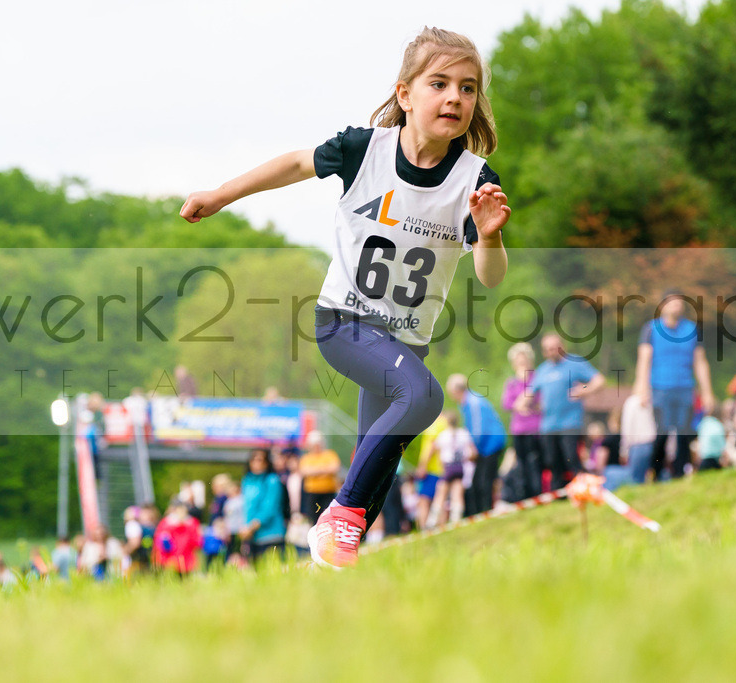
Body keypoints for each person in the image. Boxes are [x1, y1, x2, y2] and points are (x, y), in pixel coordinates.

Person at [181, 28, 509, 569]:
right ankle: (335, 521)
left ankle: (327, 570)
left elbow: (492, 277)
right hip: (345, 323)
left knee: (372, 479)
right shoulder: (365, 150)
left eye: (468, 88)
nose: (455, 97)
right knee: (423, 400)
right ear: (405, 94)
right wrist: (220, 195)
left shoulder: (475, 181)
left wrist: (490, 234)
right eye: (440, 83)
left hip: (406, 342)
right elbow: (292, 163)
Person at [634, 289, 715, 480]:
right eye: (672, 302)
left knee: (683, 433)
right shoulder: (651, 329)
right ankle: (655, 472)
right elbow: (644, 360)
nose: (677, 305)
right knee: (661, 433)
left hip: (685, 388)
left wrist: (707, 392)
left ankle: (680, 473)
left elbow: (700, 362)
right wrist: (641, 388)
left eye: (679, 302)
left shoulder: (692, 329)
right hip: (660, 388)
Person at [531, 333, 606, 490]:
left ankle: (584, 490)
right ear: (544, 352)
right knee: (552, 462)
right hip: (548, 426)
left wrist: (585, 390)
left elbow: (599, 381)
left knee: (571, 459)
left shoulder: (575, 363)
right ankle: (557, 496)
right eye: (549, 349)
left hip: (570, 423)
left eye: (555, 347)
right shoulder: (542, 371)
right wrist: (525, 404)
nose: (552, 351)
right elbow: (530, 394)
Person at [445, 374, 507, 516]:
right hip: (486, 445)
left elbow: (479, 429)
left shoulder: (472, 402)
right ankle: (484, 510)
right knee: (482, 479)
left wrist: (473, 449)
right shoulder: (467, 403)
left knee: (484, 480)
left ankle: (485, 511)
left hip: (490, 445)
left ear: (456, 391)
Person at [418, 410, 475, 527]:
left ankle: (432, 521)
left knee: (441, 493)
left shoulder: (443, 435)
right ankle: (456, 519)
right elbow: (473, 452)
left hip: (448, 468)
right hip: (460, 466)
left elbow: (433, 449)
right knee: (457, 493)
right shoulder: (463, 433)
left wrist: (425, 464)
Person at [501, 342, 543, 499]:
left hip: (535, 428)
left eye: (523, 360)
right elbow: (507, 403)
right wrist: (521, 405)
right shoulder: (511, 382)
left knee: (535, 464)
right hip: (518, 429)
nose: (521, 364)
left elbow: (540, 400)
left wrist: (525, 401)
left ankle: (537, 495)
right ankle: (523, 498)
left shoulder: (536, 379)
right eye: (518, 361)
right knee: (521, 465)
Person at [240, 448, 287, 564]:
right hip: (252, 536)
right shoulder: (247, 480)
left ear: (266, 463)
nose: (256, 463)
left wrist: (251, 527)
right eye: (253, 459)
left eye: (260, 460)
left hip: (271, 534)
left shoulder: (272, 480)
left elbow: (269, 508)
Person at [298, 430, 342, 524]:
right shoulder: (306, 458)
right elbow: (305, 471)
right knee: (314, 519)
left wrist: (315, 471)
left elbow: (334, 468)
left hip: (328, 492)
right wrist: (324, 470)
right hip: (312, 494)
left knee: (329, 517)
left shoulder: (329, 454)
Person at [154, 500, 202, 576]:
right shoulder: (166, 523)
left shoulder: (192, 523)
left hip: (187, 561)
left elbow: (198, 542)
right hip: (170, 561)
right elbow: (160, 542)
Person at [619, 391, 656, 486]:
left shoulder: (631, 402)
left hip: (638, 446)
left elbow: (627, 427)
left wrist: (624, 450)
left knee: (636, 482)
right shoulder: (656, 400)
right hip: (655, 444)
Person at [695, 406, 726, 472]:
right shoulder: (718, 425)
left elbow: (700, 440)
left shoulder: (704, 422)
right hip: (714, 459)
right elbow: (722, 445)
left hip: (703, 459)